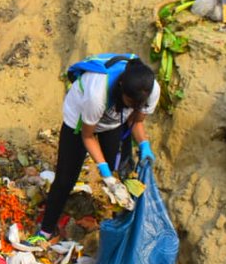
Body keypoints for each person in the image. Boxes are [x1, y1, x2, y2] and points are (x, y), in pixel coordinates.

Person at [38, 54, 159, 239]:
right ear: (121, 89)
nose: (135, 107)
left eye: (139, 104)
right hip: (79, 121)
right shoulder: (97, 94)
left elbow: (137, 121)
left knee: (118, 171)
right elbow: (88, 136)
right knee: (65, 178)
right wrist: (104, 171)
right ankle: (45, 230)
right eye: (131, 103)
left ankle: (112, 225)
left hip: (113, 120)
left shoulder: (150, 90)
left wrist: (144, 145)